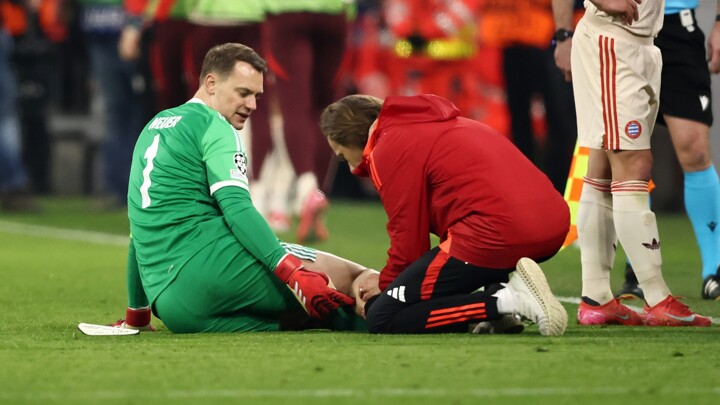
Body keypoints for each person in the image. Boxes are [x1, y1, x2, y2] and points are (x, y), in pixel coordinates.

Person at [117, 43, 355, 333]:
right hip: (213, 274)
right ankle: (408, 310)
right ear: (211, 83)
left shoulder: (153, 127)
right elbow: (237, 208)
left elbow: (137, 233)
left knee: (303, 321)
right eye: (243, 93)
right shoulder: (214, 126)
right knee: (351, 280)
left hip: (174, 308)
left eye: (257, 95)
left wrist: (137, 314)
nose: (252, 105)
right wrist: (292, 272)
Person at [320, 94, 571, 335]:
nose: (352, 168)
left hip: (498, 233)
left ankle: (508, 301)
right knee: (436, 282)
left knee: (382, 314)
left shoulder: (389, 146)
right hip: (553, 225)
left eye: (344, 157)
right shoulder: (437, 124)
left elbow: (408, 242)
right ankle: (495, 306)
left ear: (355, 138)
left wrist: (386, 283)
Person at [551, 0, 710, 326]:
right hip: (613, 40)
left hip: (635, 43)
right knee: (633, 162)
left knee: (603, 166)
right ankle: (656, 296)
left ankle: (595, 297)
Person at [613, 0, 720, 301]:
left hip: (676, 27)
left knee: (695, 150)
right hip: (621, 24)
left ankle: (715, 268)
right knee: (627, 153)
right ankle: (636, 271)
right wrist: (564, 34)